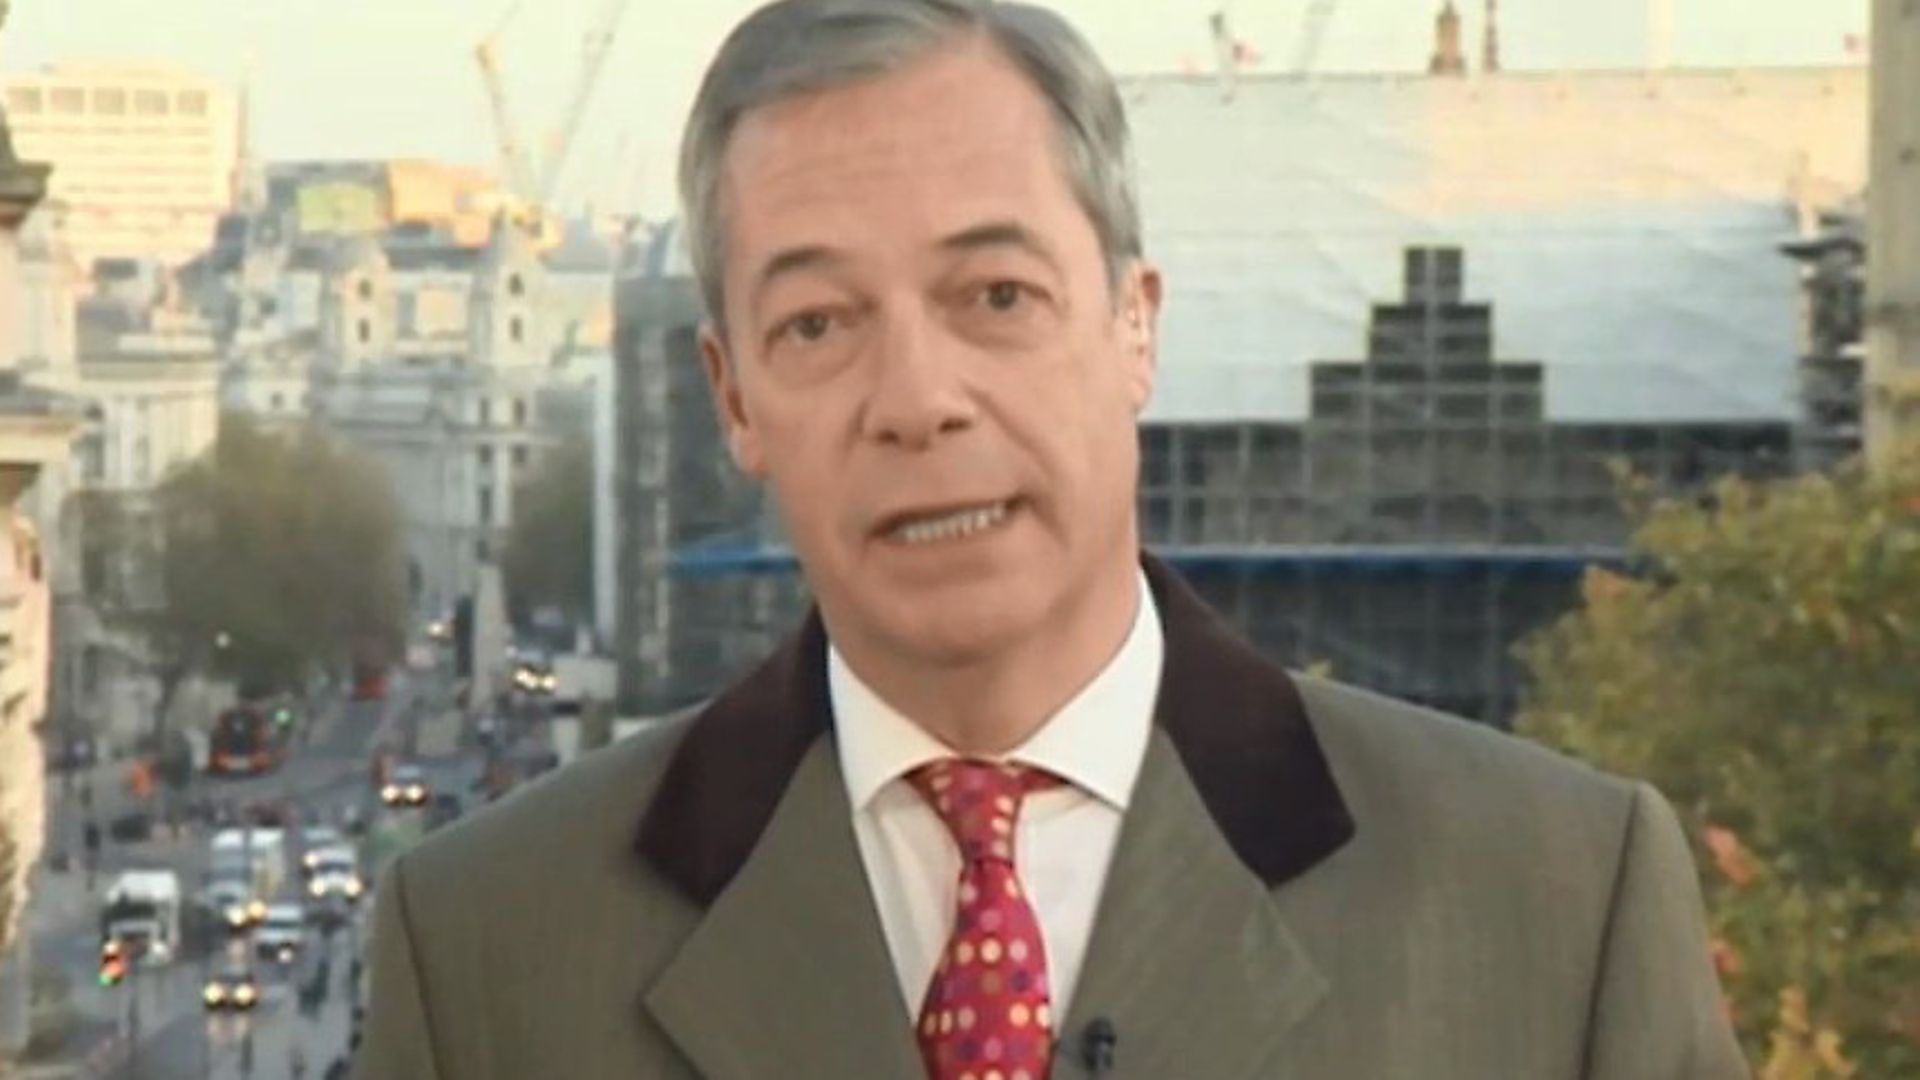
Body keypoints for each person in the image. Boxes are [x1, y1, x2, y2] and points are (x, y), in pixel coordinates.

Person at [356, 2, 1748, 1078]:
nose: (916, 402)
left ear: (1134, 325)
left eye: (996, 295)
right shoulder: (488, 947)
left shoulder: (1558, 901)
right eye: (820, 324)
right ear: (734, 399)